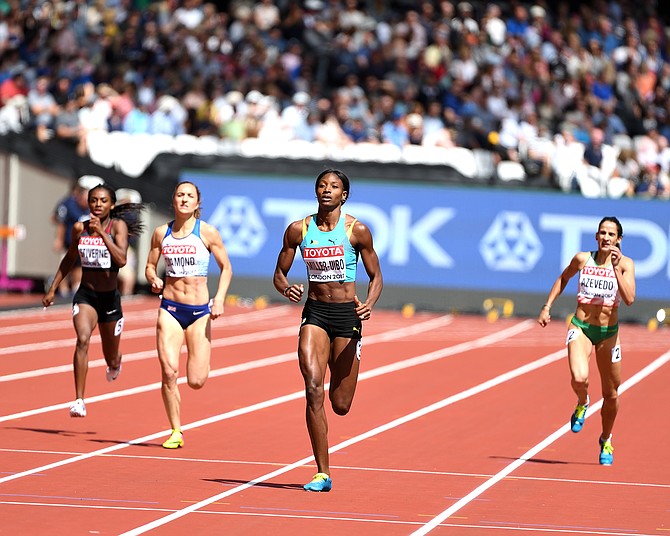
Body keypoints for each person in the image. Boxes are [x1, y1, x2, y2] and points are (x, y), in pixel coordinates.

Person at [272, 168, 383, 491]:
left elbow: (376, 277)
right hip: (315, 314)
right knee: (312, 389)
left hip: (347, 316)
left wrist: (369, 304)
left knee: (341, 404)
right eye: (321, 185)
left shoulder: (357, 231)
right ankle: (322, 471)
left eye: (334, 186)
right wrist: (285, 288)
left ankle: (340, 374)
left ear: (343, 195)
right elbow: (279, 273)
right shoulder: (298, 230)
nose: (326, 190)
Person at [537, 216, 636, 465]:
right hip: (581, 327)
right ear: (596, 236)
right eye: (602, 233)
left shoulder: (625, 265)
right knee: (579, 378)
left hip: (608, 334)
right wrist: (547, 306)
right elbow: (563, 278)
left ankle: (606, 439)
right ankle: (582, 402)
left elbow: (630, 299)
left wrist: (614, 268)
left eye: (611, 234)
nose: (606, 238)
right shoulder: (583, 259)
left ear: (619, 239)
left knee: (611, 393)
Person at [43, 183, 145, 417]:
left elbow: (121, 260)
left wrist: (101, 233)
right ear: (88, 203)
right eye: (94, 201)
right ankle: (79, 400)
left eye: (103, 201)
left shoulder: (118, 226)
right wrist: (53, 288)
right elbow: (69, 259)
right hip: (86, 296)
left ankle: (115, 362)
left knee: (110, 355)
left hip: (109, 300)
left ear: (111, 204)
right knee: (82, 339)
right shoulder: (80, 228)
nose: (98, 205)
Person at [144, 181, 233, 449]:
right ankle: (175, 430)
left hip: (199, 312)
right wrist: (153, 279)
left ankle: (202, 361)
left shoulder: (207, 232)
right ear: (174, 200)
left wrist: (219, 299)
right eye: (180, 195)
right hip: (170, 309)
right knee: (169, 372)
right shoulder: (162, 233)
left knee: (196, 380)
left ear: (197, 203)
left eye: (189, 196)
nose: (184, 199)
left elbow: (226, 267)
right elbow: (150, 265)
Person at [51, 176, 101, 297]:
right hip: (69, 241)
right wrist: (59, 239)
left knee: (80, 265)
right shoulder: (68, 204)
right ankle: (63, 290)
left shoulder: (95, 207)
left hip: (85, 244)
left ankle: (76, 287)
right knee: (65, 264)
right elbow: (59, 222)